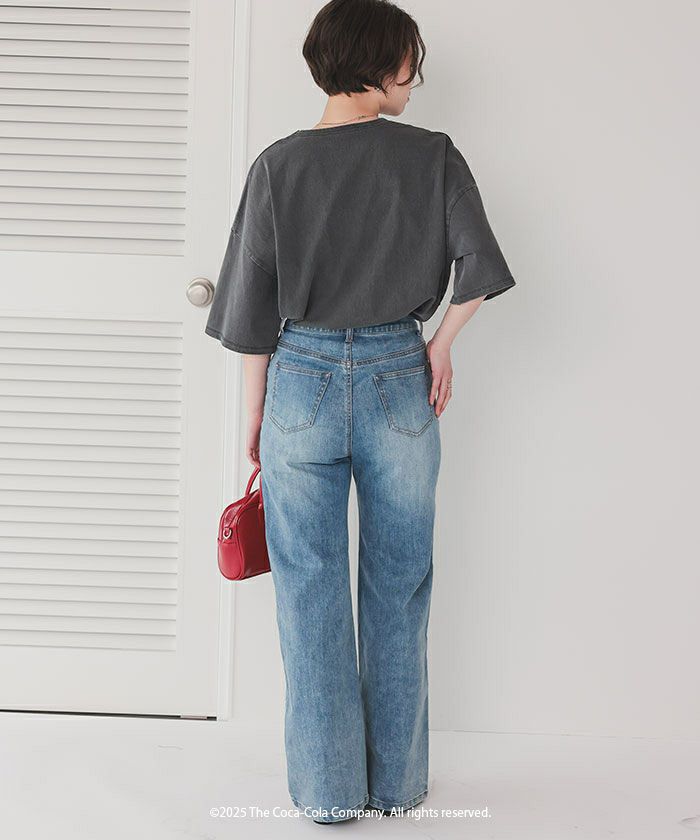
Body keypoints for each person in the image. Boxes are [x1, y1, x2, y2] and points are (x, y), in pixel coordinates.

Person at [204, 0, 516, 825]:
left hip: (299, 381)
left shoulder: (277, 166)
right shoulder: (432, 156)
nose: (416, 77)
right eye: (410, 61)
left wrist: (254, 414)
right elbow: (480, 269)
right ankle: (397, 787)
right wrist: (438, 344)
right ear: (376, 66)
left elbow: (250, 309)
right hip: (397, 375)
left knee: (307, 592)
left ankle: (328, 793)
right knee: (399, 584)